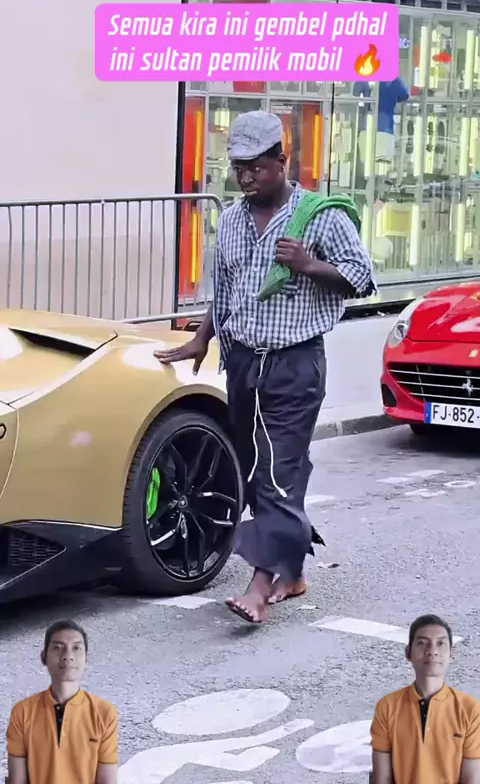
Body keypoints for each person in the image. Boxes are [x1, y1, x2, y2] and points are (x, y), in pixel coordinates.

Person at [155, 109, 375, 624]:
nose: (247, 176)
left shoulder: (320, 217)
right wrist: (202, 339)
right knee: (256, 469)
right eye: (239, 168)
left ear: (282, 160)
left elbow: (363, 278)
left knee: (277, 472)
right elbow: (227, 291)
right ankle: (292, 569)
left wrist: (309, 265)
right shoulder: (231, 220)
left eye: (257, 166)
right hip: (243, 363)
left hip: (295, 364)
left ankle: (259, 585)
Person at [371, 613, 480, 784]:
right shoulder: (387, 707)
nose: (432, 651)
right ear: (408, 652)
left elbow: (471, 779)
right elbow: (382, 778)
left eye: (441, 643)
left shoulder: (470, 709)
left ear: (451, 653)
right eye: (422, 643)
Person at [6, 619, 118, 784]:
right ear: (44, 657)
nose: (67, 656)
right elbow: (17, 780)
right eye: (57, 648)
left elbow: (107, 781)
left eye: (76, 648)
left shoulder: (104, 712)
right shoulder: (22, 712)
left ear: (86, 657)